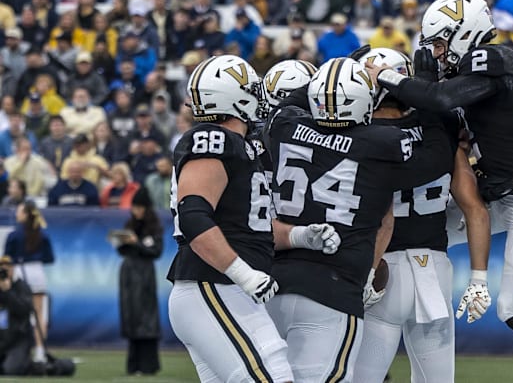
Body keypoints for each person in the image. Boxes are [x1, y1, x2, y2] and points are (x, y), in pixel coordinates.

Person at [366, 0, 513, 383]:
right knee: (421, 231)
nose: (436, 54)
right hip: (499, 192)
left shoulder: (496, 57)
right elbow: (442, 99)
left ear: (463, 32)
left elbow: (441, 97)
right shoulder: (475, 70)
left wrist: (386, 76)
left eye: (439, 43)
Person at [265, 57, 413, 382]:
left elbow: (289, 104)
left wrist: (323, 82)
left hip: (275, 282)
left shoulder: (284, 127)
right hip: (334, 288)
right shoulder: (383, 143)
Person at [353, 48, 491, 382]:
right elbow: (474, 208)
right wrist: (479, 279)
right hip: (433, 270)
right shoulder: (439, 131)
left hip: (379, 267)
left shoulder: (357, 135)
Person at [167, 55, 295, 383]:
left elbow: (256, 227)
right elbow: (194, 215)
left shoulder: (244, 146)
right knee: (271, 377)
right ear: (233, 97)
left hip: (225, 288)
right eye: (252, 89)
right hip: (213, 283)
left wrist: (303, 235)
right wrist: (244, 274)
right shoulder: (212, 139)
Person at [112, 188, 162, 375]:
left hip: (145, 274)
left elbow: (156, 251)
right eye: (134, 207)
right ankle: (133, 365)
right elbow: (122, 251)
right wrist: (121, 242)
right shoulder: (129, 224)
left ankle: (149, 365)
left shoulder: (154, 228)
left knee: (147, 318)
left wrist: (137, 243)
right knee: (131, 316)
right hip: (128, 274)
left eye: (139, 207)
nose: (136, 211)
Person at [3, 200, 53, 363]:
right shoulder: (42, 234)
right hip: (37, 272)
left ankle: (19, 349)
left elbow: (7, 259)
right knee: (39, 314)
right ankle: (39, 351)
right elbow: (49, 258)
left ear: (25, 214)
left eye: (19, 211)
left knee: (18, 311)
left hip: (19, 272)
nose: (17, 214)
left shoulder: (13, 234)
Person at [0, 255, 34, 376]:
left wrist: (7, 292)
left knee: (10, 371)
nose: (4, 271)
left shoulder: (21, 287)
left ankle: (28, 365)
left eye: (7, 268)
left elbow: (24, 310)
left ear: (13, 268)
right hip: (2, 340)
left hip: (18, 341)